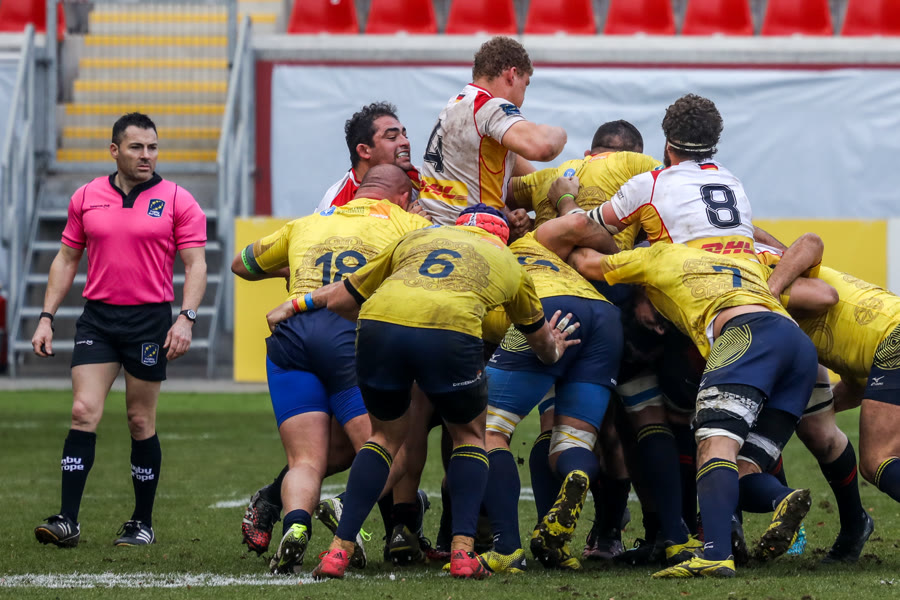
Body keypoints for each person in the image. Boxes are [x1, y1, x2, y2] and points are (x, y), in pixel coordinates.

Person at [305, 205, 579, 580]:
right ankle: (462, 552)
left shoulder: (417, 237)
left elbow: (344, 297)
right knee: (470, 437)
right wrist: (556, 349)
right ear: (502, 237)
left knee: (383, 438)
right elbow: (542, 346)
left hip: (379, 327)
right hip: (450, 332)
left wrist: (303, 305)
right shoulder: (510, 262)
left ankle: (338, 551)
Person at [567, 237, 830, 578]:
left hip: (746, 335)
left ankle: (715, 555)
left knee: (713, 445)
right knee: (742, 468)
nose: (660, 325)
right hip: (800, 350)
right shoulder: (736, 259)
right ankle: (781, 498)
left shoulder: (657, 256)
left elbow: (585, 260)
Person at [232, 164, 432, 574]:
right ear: (402, 198)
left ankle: (296, 526)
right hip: (348, 333)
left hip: (291, 333)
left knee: (305, 460)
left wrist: (294, 267)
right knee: (390, 450)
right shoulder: (408, 223)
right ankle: (344, 506)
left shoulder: (307, 222)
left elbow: (242, 264)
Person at [32, 112, 207, 548]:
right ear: (115, 150)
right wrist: (46, 317)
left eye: (153, 147)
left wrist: (186, 318)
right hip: (98, 319)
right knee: (82, 411)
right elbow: (66, 259)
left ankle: (141, 522)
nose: (147, 155)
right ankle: (67, 521)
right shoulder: (86, 196)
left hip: (149, 321)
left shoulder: (178, 200)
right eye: (136, 147)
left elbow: (196, 264)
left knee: (139, 419)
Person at [481, 213, 623, 573]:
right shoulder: (532, 244)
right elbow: (578, 224)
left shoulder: (475, 263)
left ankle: (506, 548)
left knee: (486, 432)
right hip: (603, 317)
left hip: (545, 313)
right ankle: (577, 477)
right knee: (572, 441)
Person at [556, 94, 756, 257]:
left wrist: (564, 198)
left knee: (588, 260)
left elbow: (583, 225)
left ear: (668, 144)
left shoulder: (651, 184)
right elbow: (748, 231)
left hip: (686, 278)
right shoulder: (732, 182)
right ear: (714, 143)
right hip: (743, 271)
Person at [418, 36, 567, 232]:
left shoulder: (456, 104)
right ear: (512, 75)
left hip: (432, 227)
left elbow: (473, 180)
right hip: (467, 233)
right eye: (525, 84)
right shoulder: (489, 106)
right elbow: (543, 147)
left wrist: (506, 212)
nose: (523, 97)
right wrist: (562, 133)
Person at [313, 102, 420, 212]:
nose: (405, 142)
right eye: (391, 137)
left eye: (405, 136)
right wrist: (408, 221)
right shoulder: (333, 203)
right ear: (364, 151)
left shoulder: (423, 180)